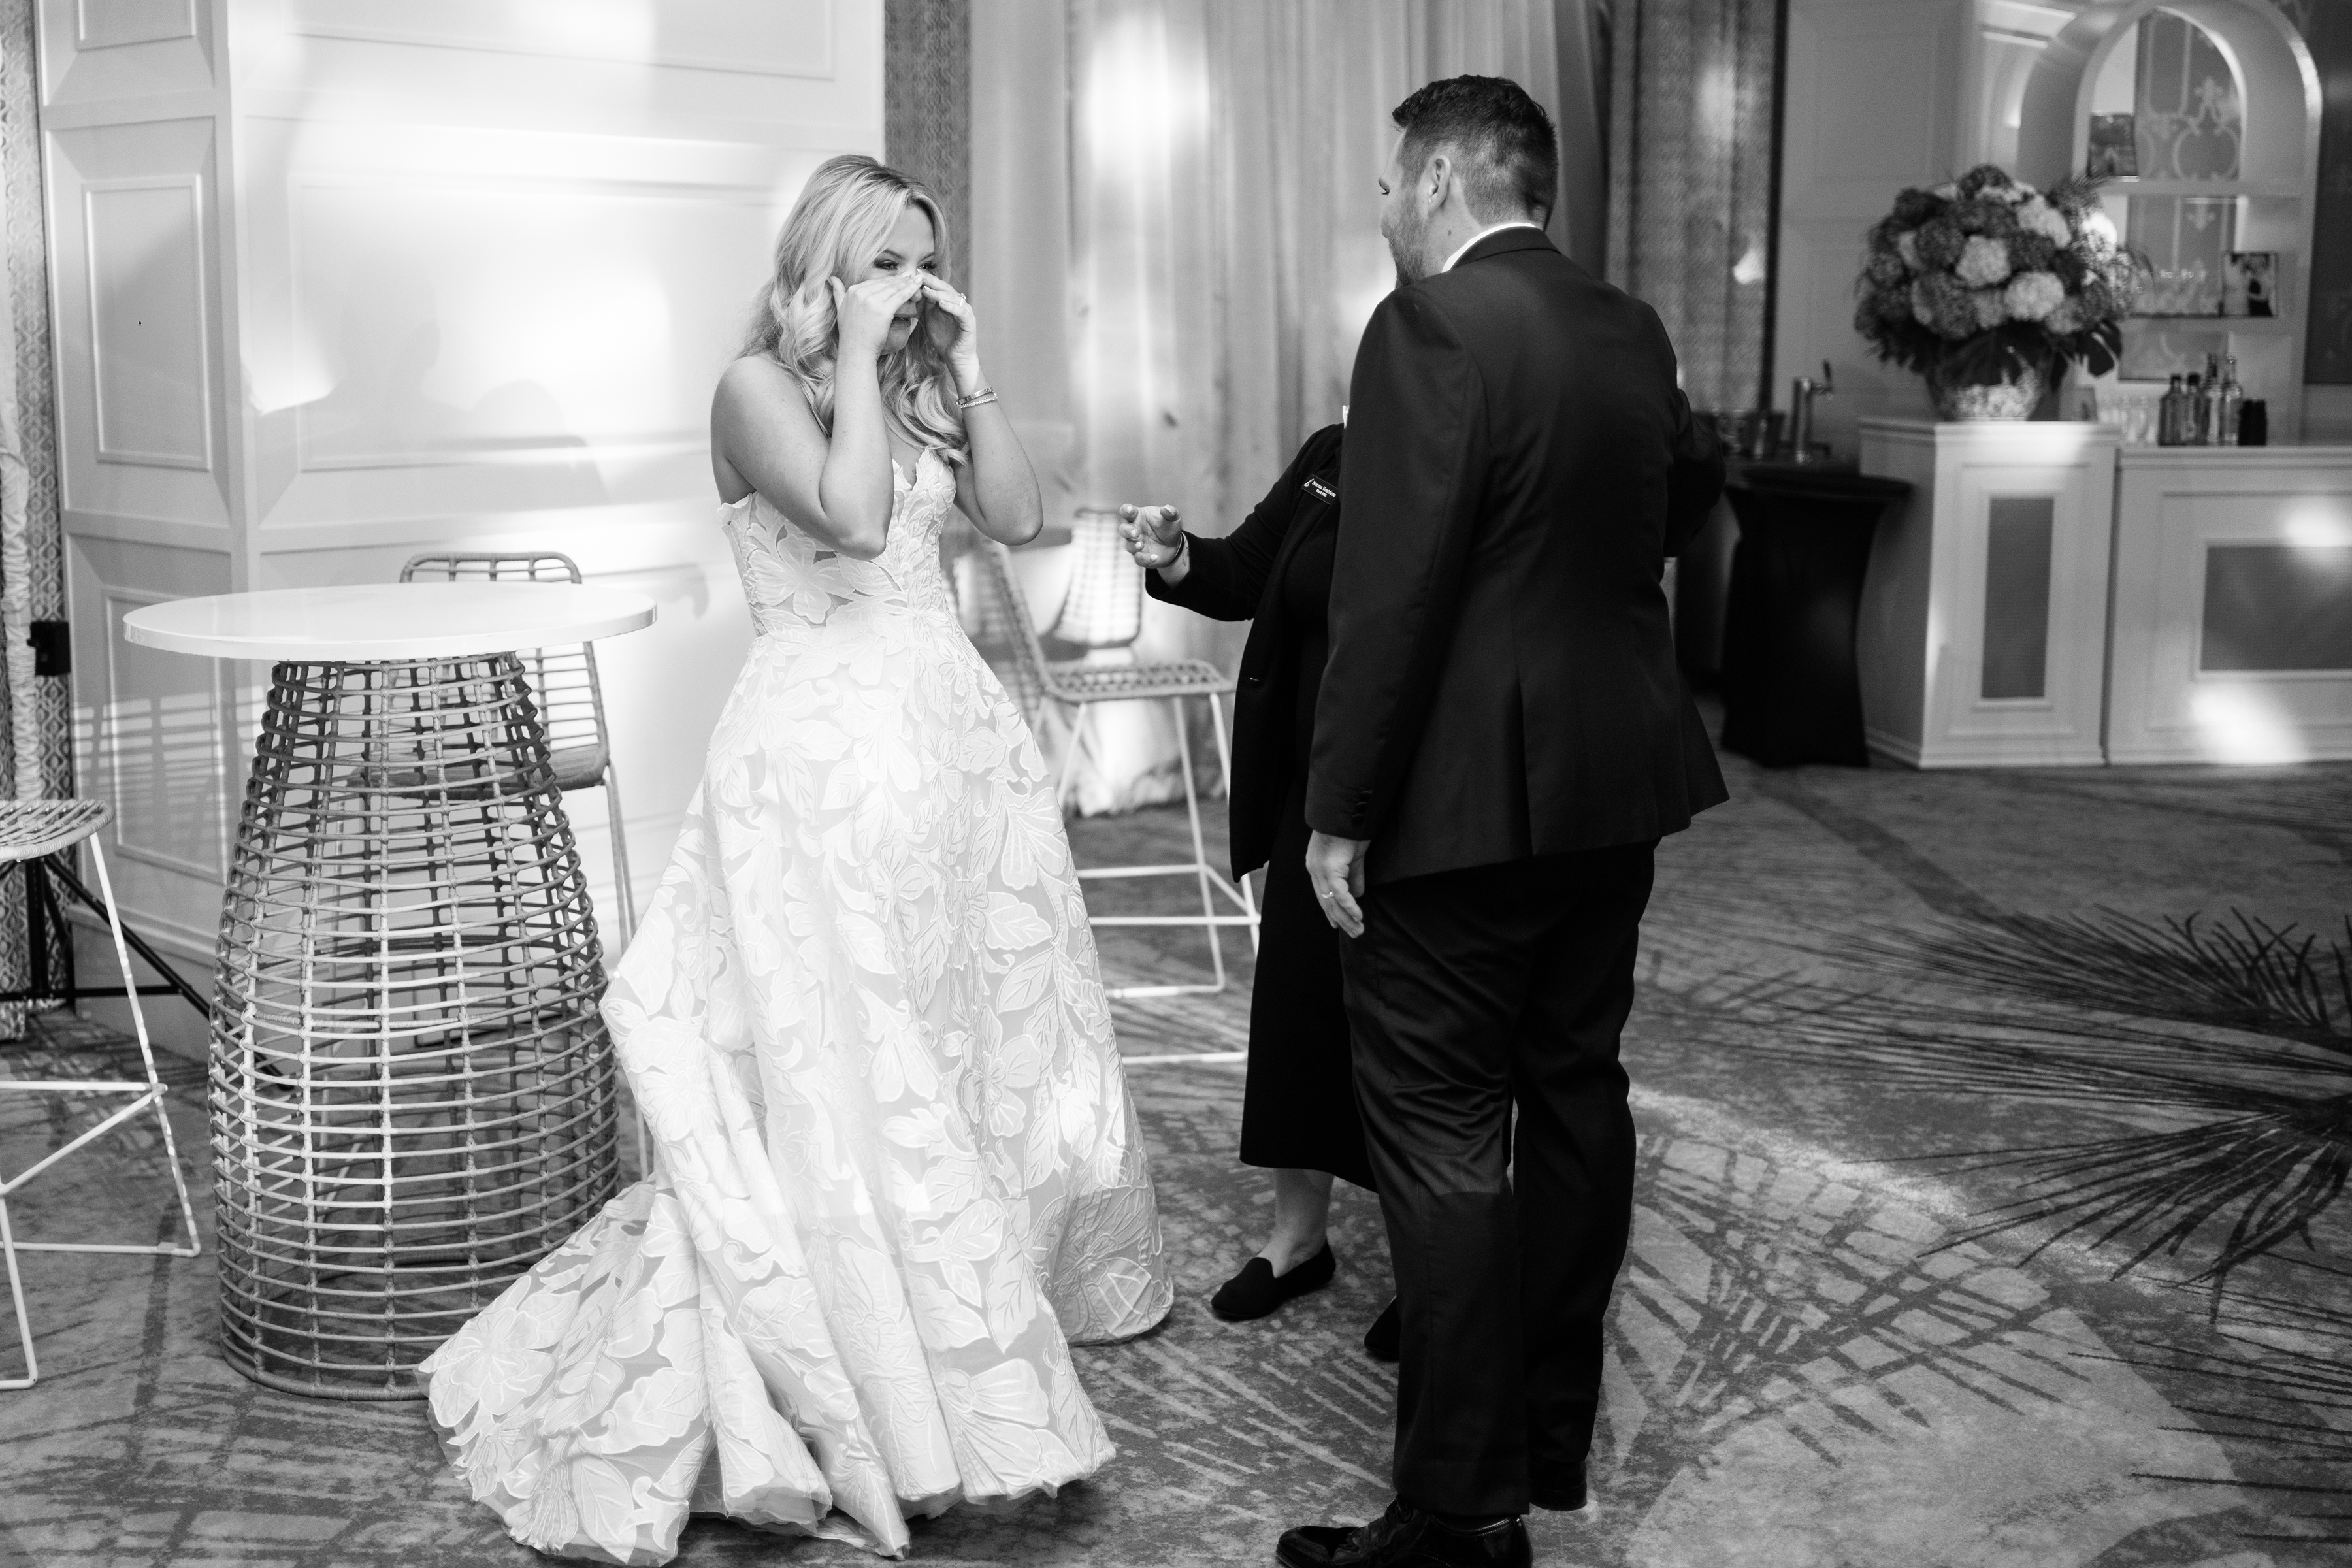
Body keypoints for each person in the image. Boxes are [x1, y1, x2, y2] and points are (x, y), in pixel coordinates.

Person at [421, 154, 1174, 1565]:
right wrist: (871, 362)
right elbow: (847, 517)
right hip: (818, 761)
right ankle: (872, 1364)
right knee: (847, 1055)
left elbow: (1014, 517)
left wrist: (973, 376)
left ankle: (962, 1320)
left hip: (949, 754)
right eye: (889, 260)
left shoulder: (917, 384)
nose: (916, 286)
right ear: (826, 262)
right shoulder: (755, 389)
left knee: (947, 1048)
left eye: (928, 261)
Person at [1278, 78, 1726, 1568]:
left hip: (1460, 807)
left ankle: (1463, 1513)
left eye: (1398, 181)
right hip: (1619, 786)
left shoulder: (1427, 328)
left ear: (1456, 177)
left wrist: (1335, 813)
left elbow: (1388, 597)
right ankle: (1549, 1436)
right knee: (1578, 1093)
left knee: (1445, 1131)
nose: (1385, 206)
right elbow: (1678, 502)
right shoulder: (1630, 327)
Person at [1116, 429, 1397, 1357]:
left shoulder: (1456, 457)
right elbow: (1243, 571)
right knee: (1299, 1010)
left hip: (1414, 783)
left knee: (1408, 1031)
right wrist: (1177, 556)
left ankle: (1430, 1263)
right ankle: (1299, 1239)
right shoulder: (1337, 449)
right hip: (1309, 776)